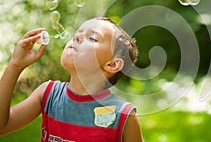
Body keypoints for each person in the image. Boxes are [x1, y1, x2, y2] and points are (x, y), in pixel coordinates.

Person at [0, 17, 144, 142]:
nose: (76, 38)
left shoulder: (123, 116)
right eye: (77, 34)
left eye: (92, 38)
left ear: (112, 64)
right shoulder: (48, 94)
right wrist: (15, 66)